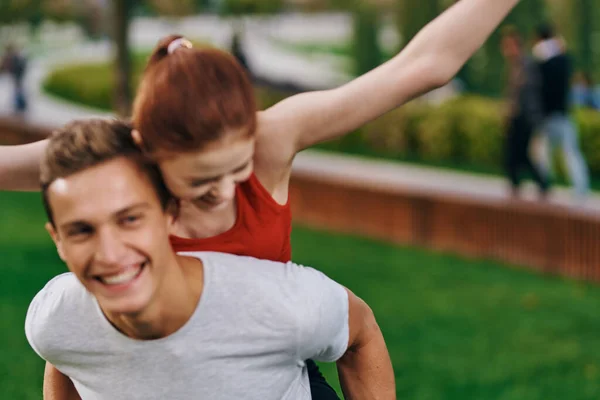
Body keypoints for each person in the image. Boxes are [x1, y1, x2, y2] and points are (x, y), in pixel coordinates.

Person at [0, 1, 523, 397]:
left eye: (238, 168)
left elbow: (424, 67)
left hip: (273, 361)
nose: (226, 191)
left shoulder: (273, 137)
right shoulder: (125, 155)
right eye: (202, 183)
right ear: (151, 155)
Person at [25, 118, 395, 400]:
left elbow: (360, 333)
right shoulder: (55, 316)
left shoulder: (274, 303)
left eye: (130, 219)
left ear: (169, 214)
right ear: (57, 239)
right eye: (81, 231)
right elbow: (64, 348)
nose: (109, 254)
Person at [532, 23, 590, 201]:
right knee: (568, 152)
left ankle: (545, 185)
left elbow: (540, 88)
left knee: (543, 152)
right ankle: (578, 189)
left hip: (548, 114)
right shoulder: (563, 58)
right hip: (562, 113)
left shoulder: (543, 59)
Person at [500, 26, 549, 198]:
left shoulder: (526, 64)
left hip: (525, 117)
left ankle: (540, 183)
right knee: (514, 153)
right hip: (518, 116)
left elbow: (528, 91)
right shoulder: (515, 65)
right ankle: (518, 185)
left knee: (519, 153)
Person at [0, 44, 28, 114]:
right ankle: (19, 105)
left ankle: (20, 105)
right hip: (17, 76)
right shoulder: (15, 57)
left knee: (18, 90)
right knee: (17, 90)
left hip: (18, 76)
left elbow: (9, 66)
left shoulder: (16, 57)